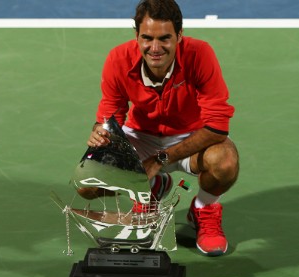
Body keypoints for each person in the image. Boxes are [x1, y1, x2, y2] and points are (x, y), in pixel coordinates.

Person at [84, 0, 239, 256]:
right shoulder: (118, 58)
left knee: (224, 162)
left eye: (165, 38)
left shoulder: (200, 54)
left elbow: (217, 126)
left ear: (179, 35)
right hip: (141, 137)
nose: (155, 48)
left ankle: (204, 207)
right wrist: (101, 132)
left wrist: (159, 160)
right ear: (136, 35)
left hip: (192, 138)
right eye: (146, 38)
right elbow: (110, 114)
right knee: (89, 184)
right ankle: (151, 190)